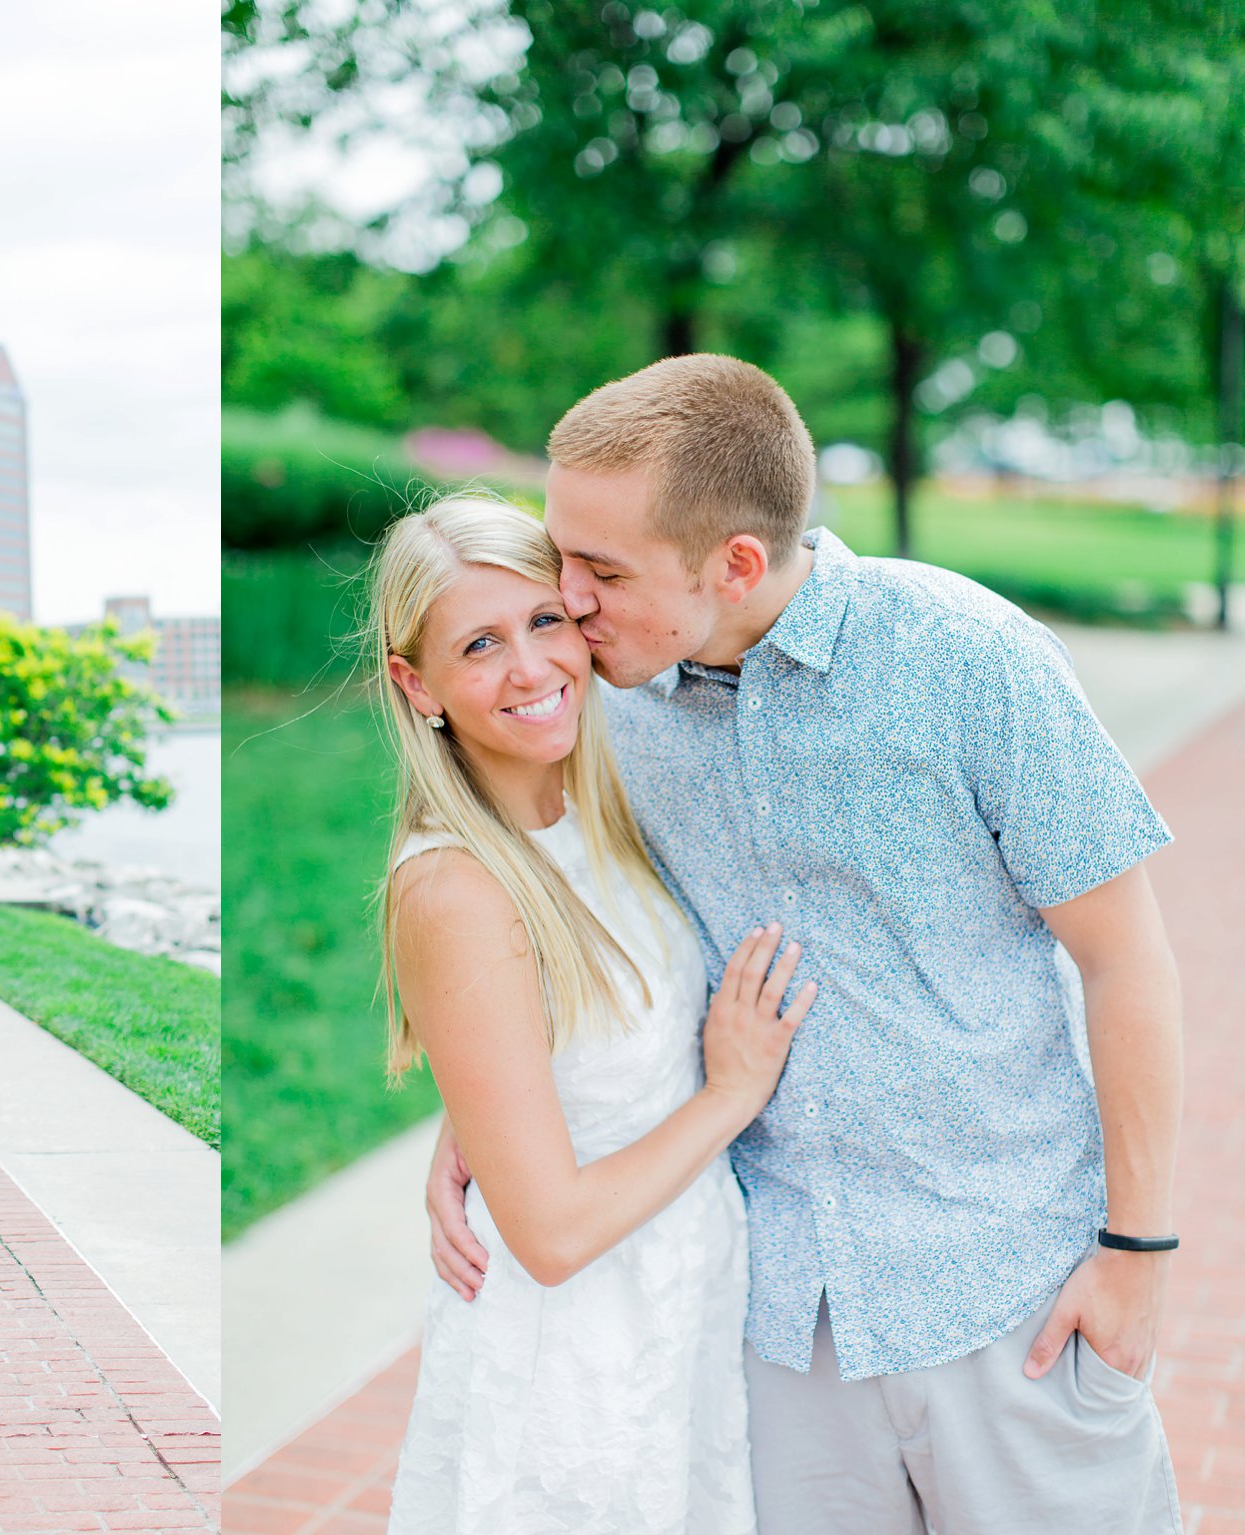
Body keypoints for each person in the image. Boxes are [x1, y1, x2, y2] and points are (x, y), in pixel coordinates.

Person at [424, 355, 1185, 1533]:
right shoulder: (612, 698)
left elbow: (1125, 955)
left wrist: (1136, 1249)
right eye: (557, 553)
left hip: (1005, 1292)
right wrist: (483, 1107)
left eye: (600, 569)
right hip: (777, 1316)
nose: (566, 599)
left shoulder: (969, 661)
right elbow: (576, 916)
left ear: (732, 562)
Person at [371, 496, 815, 1533]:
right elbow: (552, 1233)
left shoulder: (595, 809)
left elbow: (571, 1034)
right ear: (415, 683)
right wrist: (731, 1092)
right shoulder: (456, 888)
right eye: (478, 643)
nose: (530, 668)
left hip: (674, 1308)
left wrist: (480, 1108)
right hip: (572, 1355)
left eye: (544, 620)